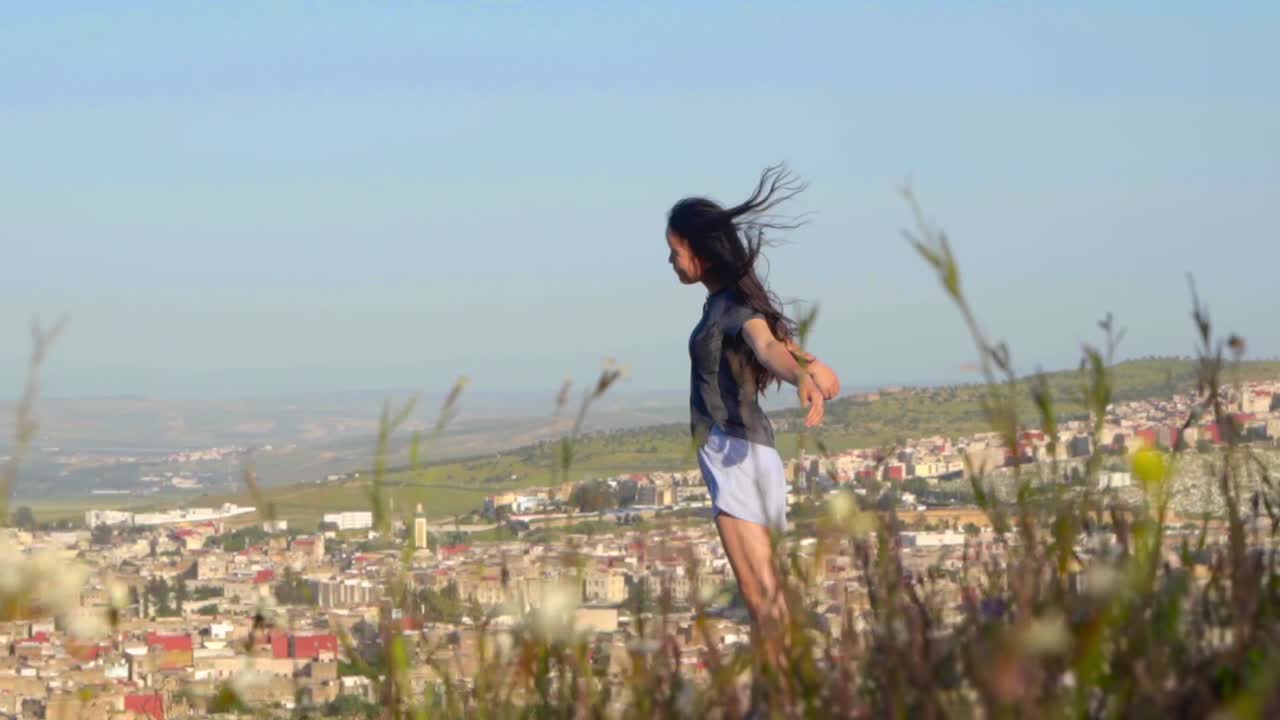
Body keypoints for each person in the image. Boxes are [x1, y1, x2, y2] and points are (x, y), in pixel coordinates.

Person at [665, 165, 840, 699]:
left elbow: (765, 347)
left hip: (734, 455)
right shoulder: (729, 303)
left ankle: (780, 701)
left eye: (673, 250)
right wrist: (810, 368)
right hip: (748, 456)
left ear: (698, 250)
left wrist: (798, 373)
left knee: (763, 603)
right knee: (769, 599)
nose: (670, 261)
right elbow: (790, 356)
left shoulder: (735, 310)